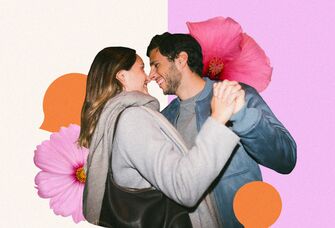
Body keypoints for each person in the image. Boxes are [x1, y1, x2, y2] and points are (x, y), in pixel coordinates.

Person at [78, 46, 246, 227]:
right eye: (142, 68)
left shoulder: (113, 121)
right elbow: (185, 187)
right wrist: (218, 118)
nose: (149, 77)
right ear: (122, 77)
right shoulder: (132, 118)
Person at [146, 32, 297, 227]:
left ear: (181, 60)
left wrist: (241, 115)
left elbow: (286, 159)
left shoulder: (236, 95)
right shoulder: (164, 119)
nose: (151, 75)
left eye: (156, 64)